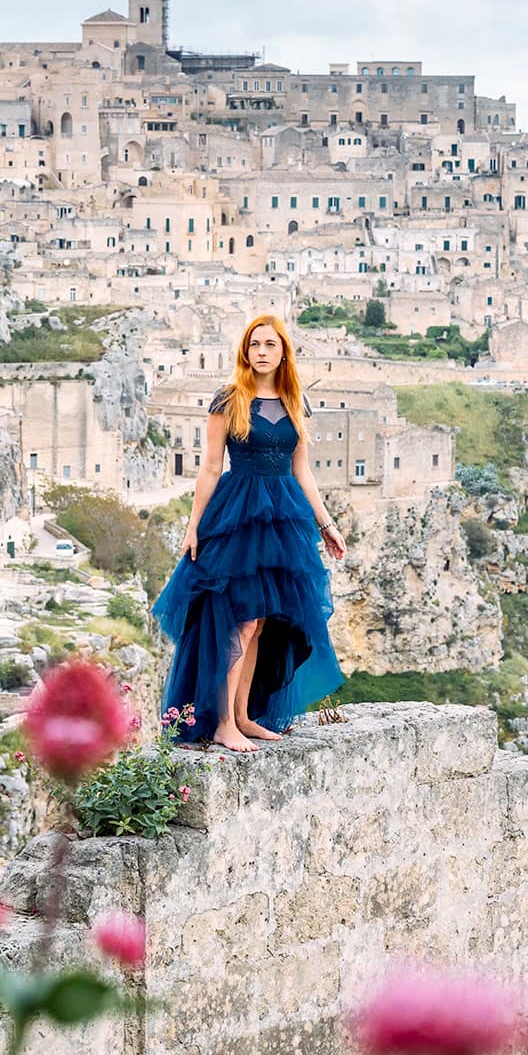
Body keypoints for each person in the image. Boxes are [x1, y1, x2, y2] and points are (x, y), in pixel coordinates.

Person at [154, 314, 346, 753]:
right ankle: (222, 723)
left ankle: (242, 717)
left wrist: (326, 524)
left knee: (260, 622)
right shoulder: (229, 399)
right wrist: (193, 526)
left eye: (270, 345)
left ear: (282, 353)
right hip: (238, 513)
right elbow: (209, 467)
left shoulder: (296, 401)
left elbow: (302, 471)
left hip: (282, 520)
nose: (261, 351)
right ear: (246, 350)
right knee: (239, 622)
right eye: (255, 344)